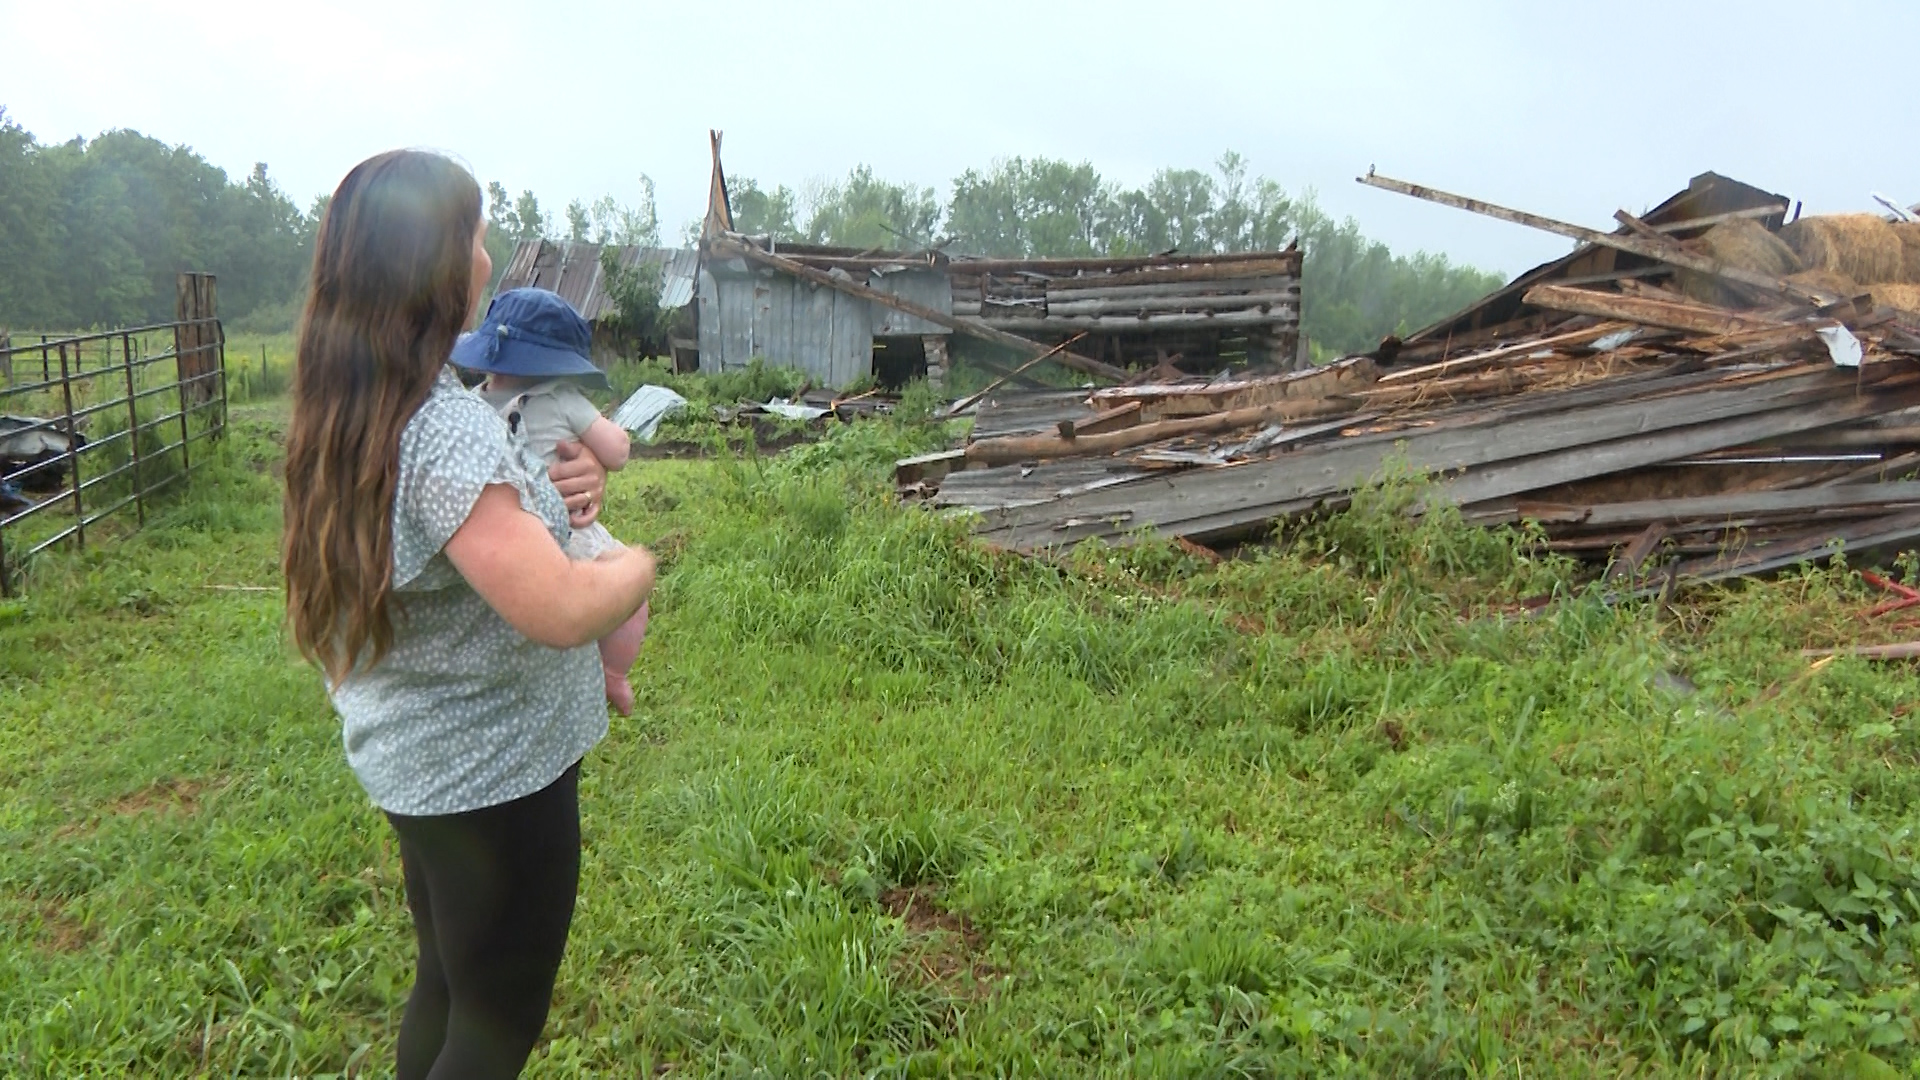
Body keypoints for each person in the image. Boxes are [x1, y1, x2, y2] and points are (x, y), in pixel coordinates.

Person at [280, 149, 656, 1080]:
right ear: (440, 262)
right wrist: (640, 566)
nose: (489, 258)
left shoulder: (363, 404)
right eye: (478, 236)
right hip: (496, 780)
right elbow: (560, 607)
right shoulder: (439, 424)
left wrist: (573, 479)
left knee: (447, 986)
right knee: (495, 1025)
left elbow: (489, 509)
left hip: (427, 770)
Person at [453, 288, 650, 716]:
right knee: (630, 594)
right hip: (566, 532)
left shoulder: (467, 409)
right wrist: (597, 453)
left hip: (505, 535)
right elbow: (618, 451)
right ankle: (612, 674)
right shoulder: (562, 398)